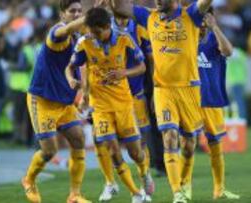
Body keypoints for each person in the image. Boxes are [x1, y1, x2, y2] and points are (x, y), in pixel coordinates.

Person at [110, 0, 213, 202]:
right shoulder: (149, 16)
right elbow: (120, 8)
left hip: (189, 88)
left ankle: (185, 182)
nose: (157, 1)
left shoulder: (190, 14)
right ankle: (177, 193)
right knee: (169, 136)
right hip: (163, 89)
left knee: (189, 143)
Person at [66, 7, 153, 203]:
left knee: (135, 152)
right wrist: (72, 80)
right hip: (101, 106)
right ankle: (135, 193)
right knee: (112, 149)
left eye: (97, 32)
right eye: (91, 32)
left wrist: (124, 73)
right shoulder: (85, 43)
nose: (94, 36)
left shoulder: (124, 39)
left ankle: (144, 172)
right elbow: (70, 67)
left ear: (107, 27)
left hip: (123, 103)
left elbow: (142, 67)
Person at [20, 0, 91, 203]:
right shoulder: (57, 33)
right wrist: (93, 13)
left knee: (78, 139)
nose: (77, 14)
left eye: (79, 10)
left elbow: (82, 64)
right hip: (42, 100)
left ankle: (74, 195)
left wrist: (84, 92)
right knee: (50, 151)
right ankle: (28, 180)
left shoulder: (79, 39)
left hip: (64, 102)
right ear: (62, 15)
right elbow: (69, 28)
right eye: (72, 11)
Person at [94, 11, 155, 202]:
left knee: (138, 145)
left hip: (135, 94)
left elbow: (149, 61)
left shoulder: (138, 29)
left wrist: (153, 90)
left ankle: (144, 173)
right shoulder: (103, 26)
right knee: (105, 142)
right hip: (105, 98)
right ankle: (111, 183)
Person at [195, 9, 240, 200]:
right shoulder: (184, 37)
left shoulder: (214, 38)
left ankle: (219, 190)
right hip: (188, 99)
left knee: (216, 145)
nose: (203, 22)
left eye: (207, 18)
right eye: (201, 18)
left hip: (211, 100)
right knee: (183, 144)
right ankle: (181, 190)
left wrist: (215, 27)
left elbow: (228, 51)